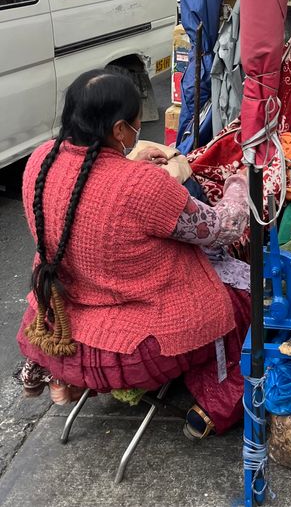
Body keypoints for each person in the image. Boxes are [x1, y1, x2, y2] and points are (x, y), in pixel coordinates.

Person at [15, 70, 250, 440]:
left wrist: (134, 163)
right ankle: (216, 404)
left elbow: (91, 193)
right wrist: (239, 183)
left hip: (56, 320)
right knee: (246, 297)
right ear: (121, 130)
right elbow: (222, 227)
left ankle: (56, 376)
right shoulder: (142, 187)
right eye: (138, 124)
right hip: (130, 348)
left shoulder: (41, 161)